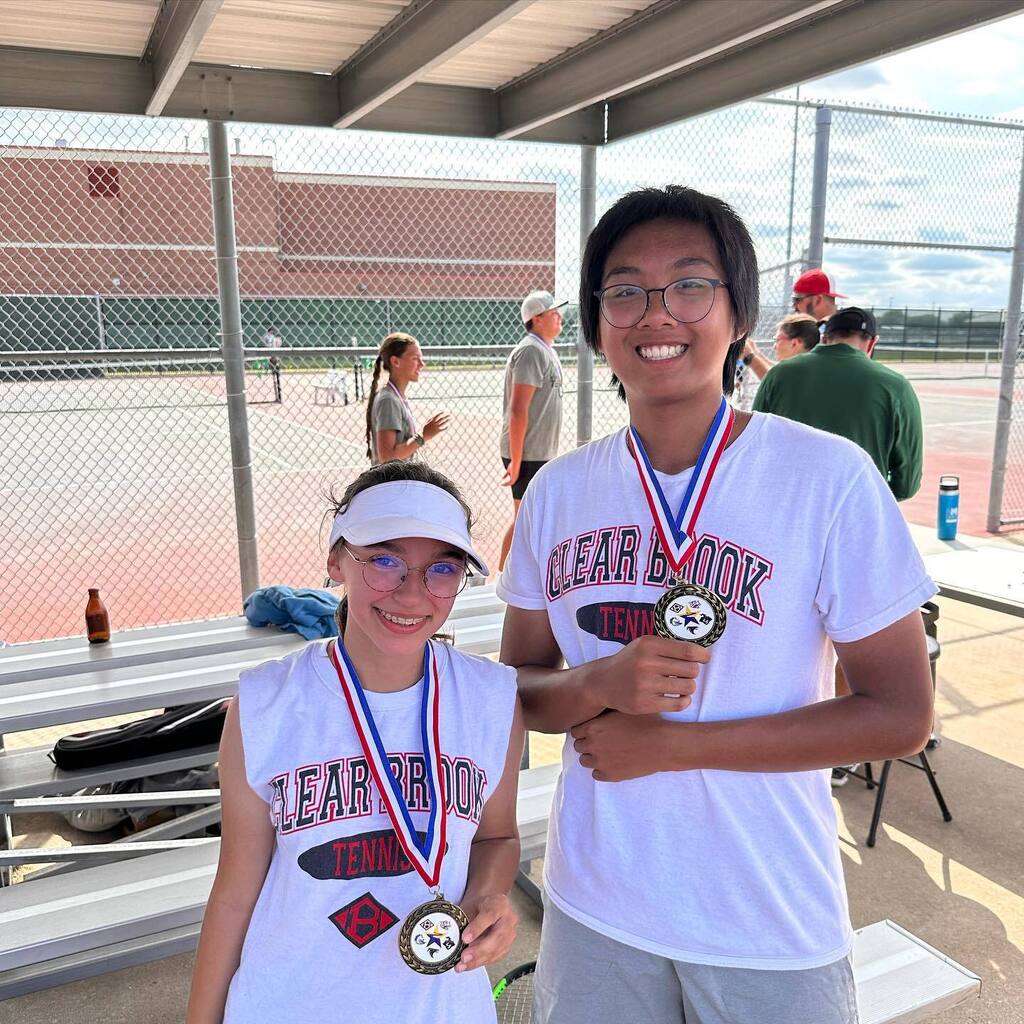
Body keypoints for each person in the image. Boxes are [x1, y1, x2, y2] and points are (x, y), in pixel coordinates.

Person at [498, 185, 935, 1024]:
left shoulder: (827, 477)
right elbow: (516, 689)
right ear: (595, 325)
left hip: (766, 917)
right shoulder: (558, 491)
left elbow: (898, 714)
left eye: (691, 285)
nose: (657, 314)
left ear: (738, 314)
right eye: (625, 290)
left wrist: (673, 745)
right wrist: (600, 686)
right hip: (597, 905)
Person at [186, 460, 525, 1024]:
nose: (412, 593)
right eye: (385, 561)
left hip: (438, 1006)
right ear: (335, 559)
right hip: (288, 1002)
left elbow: (497, 836)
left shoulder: (491, 699)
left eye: (441, 569)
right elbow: (234, 893)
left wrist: (490, 897)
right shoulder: (266, 705)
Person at [753, 306, 923, 502]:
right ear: (872, 343)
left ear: (825, 338)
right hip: (857, 511)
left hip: (786, 504)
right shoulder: (896, 386)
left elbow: (755, 447)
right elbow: (907, 485)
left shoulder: (779, 374)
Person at [498, 290, 566, 569]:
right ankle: (501, 575)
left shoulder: (545, 349)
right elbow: (518, 409)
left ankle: (514, 575)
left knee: (532, 518)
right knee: (523, 519)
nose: (560, 317)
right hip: (527, 453)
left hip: (539, 451)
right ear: (537, 319)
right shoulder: (530, 351)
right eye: (553, 313)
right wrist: (515, 460)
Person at [365, 332, 449, 464]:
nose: (422, 364)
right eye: (415, 359)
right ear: (395, 361)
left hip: (399, 480)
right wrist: (422, 436)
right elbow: (387, 458)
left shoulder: (397, 398)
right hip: (393, 482)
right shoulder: (388, 400)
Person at [733, 313, 819, 410]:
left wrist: (749, 358)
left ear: (794, 343)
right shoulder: (813, 364)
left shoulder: (799, 372)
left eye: (777, 340)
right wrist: (757, 354)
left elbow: (775, 381)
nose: (774, 346)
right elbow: (776, 370)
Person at [262, 324, 283, 403]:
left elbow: (276, 344)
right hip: (269, 352)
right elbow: (265, 344)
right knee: (271, 362)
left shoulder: (273, 337)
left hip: (273, 353)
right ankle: (269, 370)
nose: (272, 332)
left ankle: (276, 371)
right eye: (271, 331)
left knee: (276, 364)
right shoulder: (266, 336)